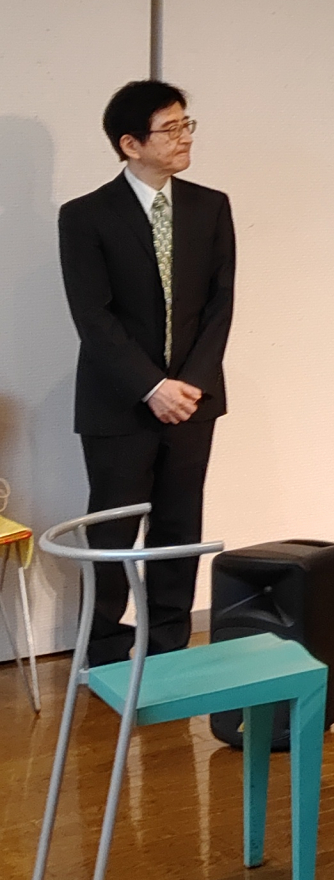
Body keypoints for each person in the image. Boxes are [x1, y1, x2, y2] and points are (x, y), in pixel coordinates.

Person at [57, 80, 235, 663]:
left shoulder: (211, 206)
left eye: (187, 125)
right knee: (113, 532)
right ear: (130, 144)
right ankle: (105, 654)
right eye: (170, 129)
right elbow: (93, 316)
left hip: (194, 401)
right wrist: (152, 386)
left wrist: (191, 385)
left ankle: (168, 649)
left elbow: (219, 304)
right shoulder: (84, 216)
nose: (184, 138)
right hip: (119, 403)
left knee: (179, 530)